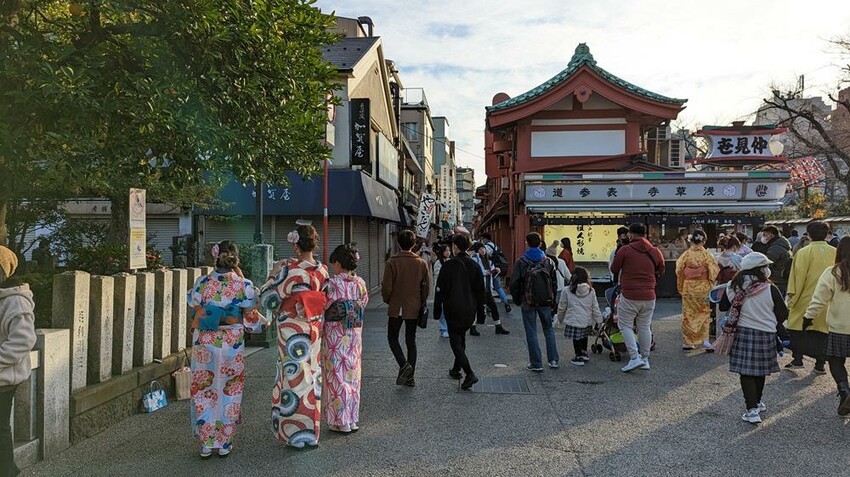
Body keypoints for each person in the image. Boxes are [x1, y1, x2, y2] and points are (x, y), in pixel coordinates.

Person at [187, 241, 261, 457]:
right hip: (231, 342)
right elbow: (251, 317)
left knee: (204, 389)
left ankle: (207, 443)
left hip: (206, 340)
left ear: (215, 257)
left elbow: (193, 301)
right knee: (230, 389)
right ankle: (224, 442)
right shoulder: (243, 285)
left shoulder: (202, 282)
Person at [264, 225, 329, 448]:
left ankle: (295, 434)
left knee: (294, 379)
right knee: (312, 377)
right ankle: (311, 433)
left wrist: (272, 274)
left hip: (292, 330)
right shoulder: (322, 270)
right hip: (313, 328)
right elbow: (324, 298)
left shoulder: (290, 271)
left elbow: (268, 299)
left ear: (295, 244)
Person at [719, 253, 788, 425]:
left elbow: (723, 306)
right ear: (761, 269)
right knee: (760, 371)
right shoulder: (770, 288)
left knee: (746, 372)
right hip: (766, 333)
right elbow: (782, 313)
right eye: (766, 266)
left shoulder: (732, 286)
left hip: (741, 333)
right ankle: (756, 403)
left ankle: (752, 410)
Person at [322, 244, 369, 434]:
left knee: (336, 376)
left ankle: (340, 421)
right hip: (354, 334)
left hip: (335, 334)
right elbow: (363, 303)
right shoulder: (360, 283)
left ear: (339, 263)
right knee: (352, 376)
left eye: (334, 263)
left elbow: (324, 305)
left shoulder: (332, 284)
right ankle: (352, 419)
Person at [803, 237, 850, 415]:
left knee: (836, 361)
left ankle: (845, 390)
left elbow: (819, 300)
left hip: (839, 328)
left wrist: (808, 317)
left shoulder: (832, 273)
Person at [0, 246, 36, 476]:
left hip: (4, 379)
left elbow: (22, 341)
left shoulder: (15, 300)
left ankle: (7, 471)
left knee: (0, 429)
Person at [610, 223, 665, 373]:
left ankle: (634, 357)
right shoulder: (655, 251)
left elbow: (614, 268)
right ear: (645, 234)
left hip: (629, 294)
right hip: (649, 294)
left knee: (625, 325)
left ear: (630, 234)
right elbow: (662, 269)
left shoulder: (625, 250)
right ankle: (645, 358)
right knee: (644, 327)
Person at [433, 234, 485, 390]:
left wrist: (437, 310)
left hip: (453, 307)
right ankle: (456, 369)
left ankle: (469, 373)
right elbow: (480, 291)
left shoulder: (448, 266)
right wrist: (481, 312)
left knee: (455, 340)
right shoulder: (474, 265)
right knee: (461, 336)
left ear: (455, 247)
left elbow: (439, 290)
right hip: (470, 308)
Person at [381, 229, 431, 387]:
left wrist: (389, 300)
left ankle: (404, 365)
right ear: (414, 243)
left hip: (397, 306)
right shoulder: (421, 263)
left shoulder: (392, 262)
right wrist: (421, 301)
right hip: (414, 306)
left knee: (392, 337)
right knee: (411, 341)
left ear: (398, 243)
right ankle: (410, 376)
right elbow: (426, 287)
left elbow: (386, 287)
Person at [785, 221, 836, 374]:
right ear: (827, 234)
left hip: (806, 298)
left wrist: (792, 299)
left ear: (809, 235)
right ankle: (820, 365)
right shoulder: (835, 252)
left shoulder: (803, 252)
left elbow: (797, 278)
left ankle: (798, 359)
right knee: (823, 332)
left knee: (799, 329)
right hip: (828, 299)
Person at [510, 232, 559, 372]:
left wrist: (518, 299)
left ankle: (536, 363)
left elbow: (514, 283)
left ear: (527, 243)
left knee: (531, 331)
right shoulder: (548, 261)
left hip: (528, 300)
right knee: (548, 329)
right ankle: (553, 360)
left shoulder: (521, 262)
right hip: (546, 300)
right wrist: (553, 299)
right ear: (540, 243)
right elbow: (554, 282)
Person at [676, 229, 720, 351]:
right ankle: (705, 341)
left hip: (689, 286)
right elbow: (714, 271)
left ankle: (688, 342)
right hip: (703, 286)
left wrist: (681, 286)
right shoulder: (707, 255)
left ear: (690, 240)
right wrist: (710, 282)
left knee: (688, 314)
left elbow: (679, 271)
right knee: (704, 313)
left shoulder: (686, 255)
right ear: (704, 241)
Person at [556, 267, 602, 367]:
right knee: (583, 336)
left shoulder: (567, 290)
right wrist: (599, 320)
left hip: (573, 320)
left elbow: (562, 307)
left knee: (576, 338)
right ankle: (584, 352)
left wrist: (559, 319)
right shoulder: (591, 290)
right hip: (586, 320)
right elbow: (595, 307)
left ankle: (578, 356)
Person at [470, 242, 510, 336]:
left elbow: (491, 272)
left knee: (493, 307)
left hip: (488, 288)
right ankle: (472, 327)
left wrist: (496, 270)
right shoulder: (474, 259)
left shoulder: (488, 259)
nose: (483, 250)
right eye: (480, 249)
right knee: (476, 308)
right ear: (477, 251)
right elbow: (474, 272)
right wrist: (485, 272)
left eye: (483, 248)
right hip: (479, 288)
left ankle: (498, 326)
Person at [479, 233, 512, 313]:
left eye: (482, 239)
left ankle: (488, 306)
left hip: (491, 268)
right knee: (498, 287)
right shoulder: (494, 245)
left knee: (487, 287)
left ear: (485, 239)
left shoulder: (486, 247)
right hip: (497, 267)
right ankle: (506, 303)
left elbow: (484, 256)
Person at [760, 226, 792, 294]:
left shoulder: (775, 248)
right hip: (782, 280)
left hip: (777, 281)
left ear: (771, 235)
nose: (763, 237)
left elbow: (768, 263)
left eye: (764, 235)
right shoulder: (781, 244)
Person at [433, 244, 451, 338]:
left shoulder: (451, 261)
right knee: (443, 310)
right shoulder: (438, 263)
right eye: (446, 251)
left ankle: (449, 328)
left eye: (449, 250)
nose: (448, 252)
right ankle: (444, 328)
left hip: (450, 289)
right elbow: (437, 275)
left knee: (449, 309)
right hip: (441, 289)